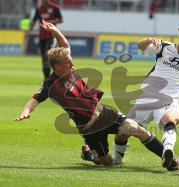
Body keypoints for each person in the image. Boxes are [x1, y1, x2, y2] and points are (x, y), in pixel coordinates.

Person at [16, 20, 167, 166]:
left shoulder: (70, 70)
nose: (73, 64)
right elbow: (34, 100)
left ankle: (169, 159)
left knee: (137, 129)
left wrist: (55, 31)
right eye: (68, 62)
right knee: (107, 160)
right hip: (89, 128)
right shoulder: (50, 85)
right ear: (56, 67)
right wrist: (25, 111)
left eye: (71, 60)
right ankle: (89, 153)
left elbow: (65, 45)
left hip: (103, 113)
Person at [113, 21, 179, 170]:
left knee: (170, 120)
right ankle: (117, 159)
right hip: (147, 97)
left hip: (169, 100)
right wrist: (150, 40)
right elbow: (140, 45)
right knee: (124, 131)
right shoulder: (164, 47)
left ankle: (167, 150)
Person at [29, 0, 63, 79]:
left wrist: (52, 21)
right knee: (44, 58)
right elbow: (34, 20)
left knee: (47, 54)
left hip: (52, 35)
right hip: (42, 37)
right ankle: (47, 79)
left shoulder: (55, 8)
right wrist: (29, 31)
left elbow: (61, 19)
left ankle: (57, 75)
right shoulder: (39, 9)